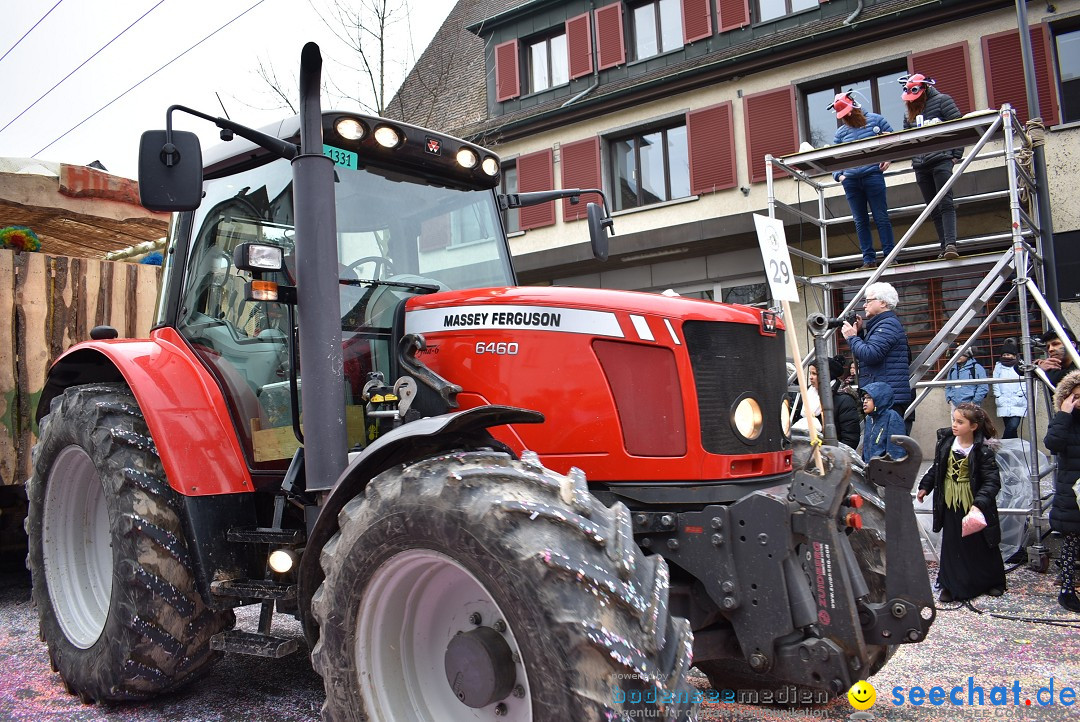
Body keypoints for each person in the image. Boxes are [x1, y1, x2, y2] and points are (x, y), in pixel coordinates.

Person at [917, 402, 1006, 602]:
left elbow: (992, 481)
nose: (954, 425)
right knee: (952, 541)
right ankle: (951, 583)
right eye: (954, 420)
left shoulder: (982, 450)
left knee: (981, 542)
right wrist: (925, 486)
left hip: (973, 501)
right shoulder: (947, 443)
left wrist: (979, 503)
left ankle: (990, 580)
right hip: (949, 499)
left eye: (960, 422)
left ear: (973, 426)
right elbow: (937, 468)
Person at [829, 91, 895, 270]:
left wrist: (888, 159)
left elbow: (895, 140)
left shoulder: (876, 120)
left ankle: (890, 257)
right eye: (843, 115)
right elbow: (832, 160)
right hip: (851, 182)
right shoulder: (840, 133)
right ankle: (868, 260)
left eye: (848, 113)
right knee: (860, 221)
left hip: (873, 175)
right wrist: (840, 176)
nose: (847, 117)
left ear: (854, 107)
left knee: (881, 217)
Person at [900, 73, 963, 260]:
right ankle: (944, 247)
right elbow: (907, 138)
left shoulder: (943, 100)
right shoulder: (908, 112)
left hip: (942, 159)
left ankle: (951, 244)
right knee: (932, 208)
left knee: (945, 203)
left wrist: (955, 156)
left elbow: (959, 126)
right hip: (920, 165)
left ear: (925, 89)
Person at [841, 281, 914, 433]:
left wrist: (852, 338)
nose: (864, 305)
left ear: (882, 302)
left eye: (868, 300)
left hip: (886, 399)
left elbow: (871, 355)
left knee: (885, 448)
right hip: (883, 396)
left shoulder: (887, 325)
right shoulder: (882, 324)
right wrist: (859, 334)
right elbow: (874, 352)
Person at [1044, 371, 1080, 612]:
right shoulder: (1064, 421)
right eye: (1074, 396)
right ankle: (1067, 590)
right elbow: (1052, 444)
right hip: (1072, 490)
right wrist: (1064, 415)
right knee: (1071, 540)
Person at [860, 381, 906, 462]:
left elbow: (896, 451)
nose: (865, 401)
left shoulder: (892, 417)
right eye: (864, 398)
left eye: (869, 398)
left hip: (886, 470)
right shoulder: (869, 419)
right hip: (871, 469)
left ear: (879, 399)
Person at [992, 338, 1026, 439]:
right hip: (1003, 400)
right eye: (1004, 355)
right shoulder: (998, 366)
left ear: (1015, 355)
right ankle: (1013, 450)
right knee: (1010, 428)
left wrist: (1020, 394)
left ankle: (1002, 444)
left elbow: (1025, 381)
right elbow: (995, 382)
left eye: (1009, 354)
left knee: (1013, 426)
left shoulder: (1020, 365)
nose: (1006, 356)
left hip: (1018, 400)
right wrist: (998, 395)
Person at [945, 344, 988, 409]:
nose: (958, 357)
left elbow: (983, 387)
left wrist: (974, 402)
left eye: (961, 355)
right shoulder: (952, 369)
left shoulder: (977, 368)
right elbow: (948, 386)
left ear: (967, 356)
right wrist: (949, 399)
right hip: (955, 405)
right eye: (956, 355)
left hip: (971, 405)